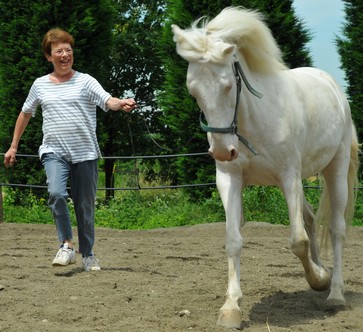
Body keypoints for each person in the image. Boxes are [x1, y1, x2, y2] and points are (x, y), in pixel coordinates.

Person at [4, 28, 137, 272]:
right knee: (55, 193)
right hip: (54, 152)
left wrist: (121, 103)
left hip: (85, 153)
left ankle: (87, 254)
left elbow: (107, 100)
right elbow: (25, 113)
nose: (65, 55)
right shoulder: (40, 85)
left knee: (85, 207)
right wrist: (13, 146)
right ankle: (66, 245)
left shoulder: (85, 81)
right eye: (59, 51)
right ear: (49, 56)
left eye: (68, 50)